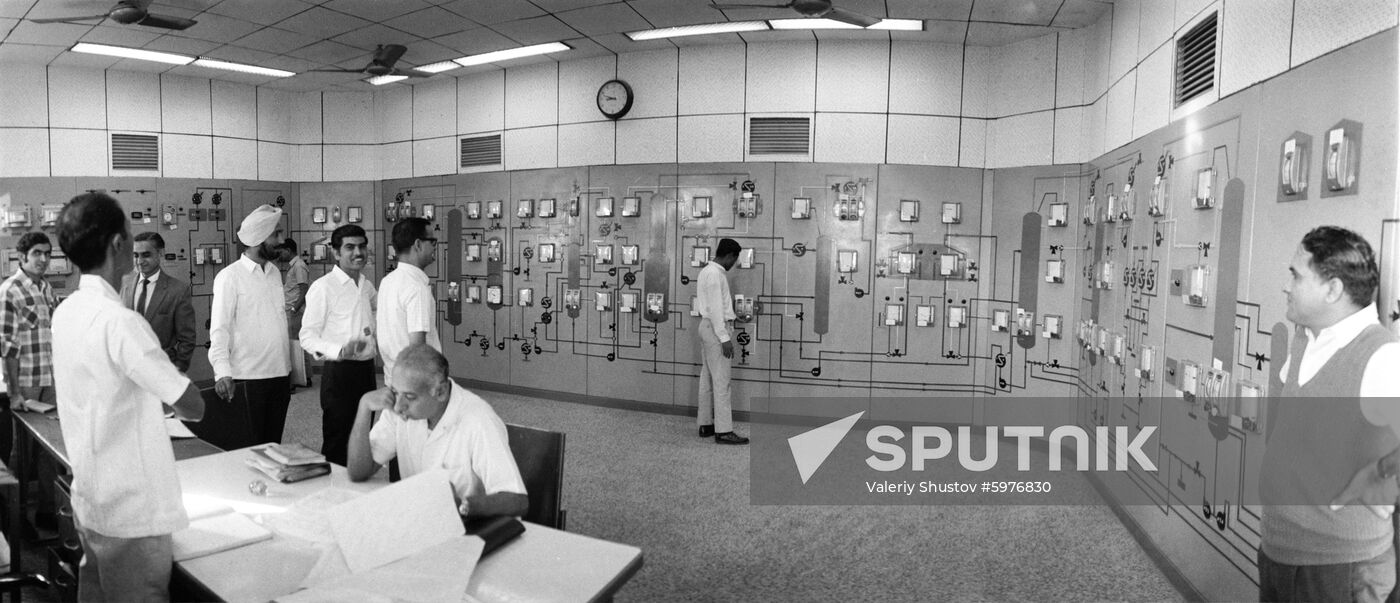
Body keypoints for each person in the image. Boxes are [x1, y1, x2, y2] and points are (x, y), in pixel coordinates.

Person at [51, 192, 205, 601]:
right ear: (118, 244)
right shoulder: (120, 322)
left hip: (91, 497)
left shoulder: (67, 311)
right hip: (134, 511)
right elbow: (192, 403)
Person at [1260, 226, 1400, 602]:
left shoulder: (1381, 356)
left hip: (1341, 568)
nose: (1286, 286)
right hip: (1280, 551)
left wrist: (1381, 473)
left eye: (1296, 275)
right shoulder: (1306, 338)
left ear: (1333, 289)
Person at [347, 344, 527, 519]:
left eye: (410, 397)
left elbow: (517, 500)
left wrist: (464, 506)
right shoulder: (400, 409)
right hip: (421, 520)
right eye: (395, 392)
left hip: (467, 528)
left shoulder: (478, 419)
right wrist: (364, 408)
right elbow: (358, 472)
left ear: (440, 392)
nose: (399, 406)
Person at [209, 204, 291, 445]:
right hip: (248, 378)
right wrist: (222, 372)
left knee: (272, 444)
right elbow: (219, 329)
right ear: (259, 238)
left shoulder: (275, 272)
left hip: (279, 375)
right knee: (247, 448)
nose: (282, 240)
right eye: (276, 234)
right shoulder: (229, 277)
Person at [300, 225, 377, 466]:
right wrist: (340, 350)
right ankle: (333, 497)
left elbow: (376, 310)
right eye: (350, 247)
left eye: (362, 246)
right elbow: (307, 336)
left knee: (363, 436)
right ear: (335, 253)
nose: (358, 253)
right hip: (339, 374)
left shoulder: (366, 285)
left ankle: (357, 494)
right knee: (338, 440)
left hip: (366, 372)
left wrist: (370, 332)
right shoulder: (323, 287)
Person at [694, 238, 748, 444]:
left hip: (706, 327)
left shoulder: (705, 272)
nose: (733, 264)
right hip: (717, 331)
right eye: (734, 260)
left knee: (706, 378)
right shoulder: (716, 275)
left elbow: (713, 308)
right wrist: (724, 338)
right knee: (722, 381)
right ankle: (724, 431)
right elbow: (717, 309)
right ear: (729, 256)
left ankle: (705, 424)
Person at [376, 217, 440, 388]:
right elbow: (417, 344)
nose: (435, 246)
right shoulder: (416, 288)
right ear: (418, 244)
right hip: (416, 383)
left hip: (394, 375)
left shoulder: (388, 281)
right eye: (432, 241)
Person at [120, 232, 196, 372]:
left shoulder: (178, 290)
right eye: (136, 255)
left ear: (160, 253)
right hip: (128, 369)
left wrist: (178, 370)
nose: (139, 261)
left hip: (162, 369)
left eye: (146, 255)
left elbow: (187, 339)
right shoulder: (124, 284)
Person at [0, 232, 58, 412]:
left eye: (48, 254)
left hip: (51, 378)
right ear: (21, 257)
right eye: (37, 253)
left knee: (51, 434)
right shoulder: (10, 291)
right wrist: (14, 393)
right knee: (26, 438)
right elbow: (7, 345)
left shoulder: (47, 288)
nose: (44, 259)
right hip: (26, 383)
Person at [278, 238, 311, 388]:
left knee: (292, 345)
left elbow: (304, 290)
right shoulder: (295, 266)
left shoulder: (299, 266)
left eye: (282, 251)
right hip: (292, 311)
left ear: (288, 250)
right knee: (298, 344)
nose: (280, 254)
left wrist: (293, 309)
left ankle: (294, 381)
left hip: (294, 312)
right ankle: (305, 378)